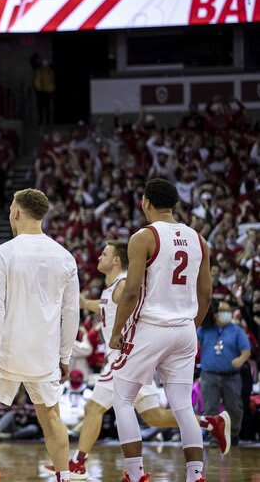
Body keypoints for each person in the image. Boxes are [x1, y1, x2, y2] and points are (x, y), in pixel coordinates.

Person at [41, 241, 230, 479]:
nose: (100, 256)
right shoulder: (110, 289)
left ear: (117, 261)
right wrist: (74, 297)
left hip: (124, 357)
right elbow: (97, 305)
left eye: (105, 254)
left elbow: (137, 303)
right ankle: (210, 422)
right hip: (133, 358)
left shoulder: (122, 286)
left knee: (93, 408)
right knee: (154, 417)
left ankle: (80, 463)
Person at [0, 188, 79, 482]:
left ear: (16, 213)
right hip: (44, 353)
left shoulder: (3, 253)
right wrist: (65, 356)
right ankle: (64, 477)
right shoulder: (65, 256)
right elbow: (72, 313)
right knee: (51, 419)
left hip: (6, 351)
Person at [109, 178, 212, 482]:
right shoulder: (198, 239)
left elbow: (130, 291)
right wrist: (190, 326)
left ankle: (135, 473)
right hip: (185, 329)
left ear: (146, 203)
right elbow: (206, 294)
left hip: (153, 327)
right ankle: (196, 475)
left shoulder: (144, 237)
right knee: (182, 404)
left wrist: (116, 332)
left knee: (124, 399)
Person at [197, 300, 250, 445]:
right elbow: (194, 343)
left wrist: (240, 359)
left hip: (231, 377)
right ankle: (214, 436)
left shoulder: (237, 331)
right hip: (209, 375)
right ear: (215, 314)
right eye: (222, 310)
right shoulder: (204, 329)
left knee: (234, 407)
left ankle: (233, 435)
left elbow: (246, 350)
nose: (225, 313)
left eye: (228, 310)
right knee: (210, 407)